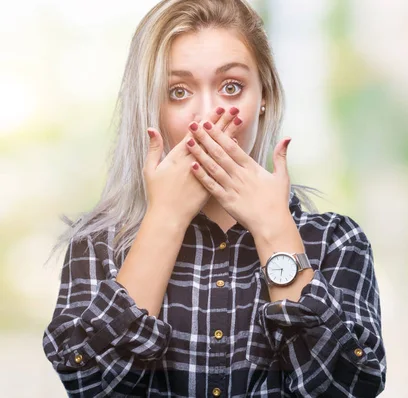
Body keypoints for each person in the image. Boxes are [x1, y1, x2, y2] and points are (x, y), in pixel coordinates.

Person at [42, 0, 386, 396]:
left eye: (231, 87)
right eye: (179, 91)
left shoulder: (335, 242)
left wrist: (274, 231)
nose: (207, 116)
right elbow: (91, 387)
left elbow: (349, 387)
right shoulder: (97, 245)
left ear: (265, 98)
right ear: (151, 109)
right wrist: (166, 219)